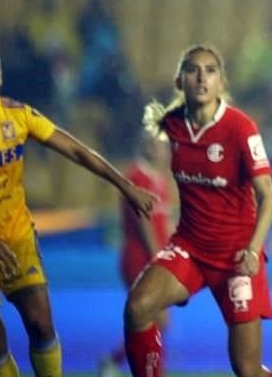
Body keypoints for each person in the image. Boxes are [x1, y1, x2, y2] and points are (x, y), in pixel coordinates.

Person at [0, 49, 155, 377]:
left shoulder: (18, 116)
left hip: (15, 236)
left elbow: (77, 151)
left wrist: (125, 185)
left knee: (40, 322)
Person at [123, 45, 272, 377]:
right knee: (138, 308)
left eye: (210, 70)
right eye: (193, 70)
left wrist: (253, 249)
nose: (202, 78)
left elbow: (267, 196)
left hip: (237, 255)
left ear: (222, 81)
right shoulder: (171, 126)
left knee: (247, 369)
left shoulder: (241, 128)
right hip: (190, 247)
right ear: (180, 81)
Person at [99, 132, 173, 377]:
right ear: (148, 146)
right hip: (140, 258)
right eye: (160, 146)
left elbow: (166, 221)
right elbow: (145, 224)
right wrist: (158, 258)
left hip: (155, 258)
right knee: (155, 320)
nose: (164, 151)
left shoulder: (159, 178)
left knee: (158, 321)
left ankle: (114, 361)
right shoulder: (137, 177)